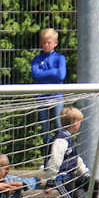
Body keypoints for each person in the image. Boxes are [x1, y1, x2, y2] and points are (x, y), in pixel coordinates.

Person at [30, 28, 66, 167]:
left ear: (55, 43)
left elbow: (61, 75)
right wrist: (53, 72)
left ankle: (61, 159)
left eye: (48, 42)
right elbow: (36, 74)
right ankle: (46, 159)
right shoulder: (37, 59)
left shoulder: (60, 58)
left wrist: (45, 73)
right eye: (44, 42)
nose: (46, 45)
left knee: (59, 126)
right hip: (42, 98)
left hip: (57, 97)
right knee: (45, 129)